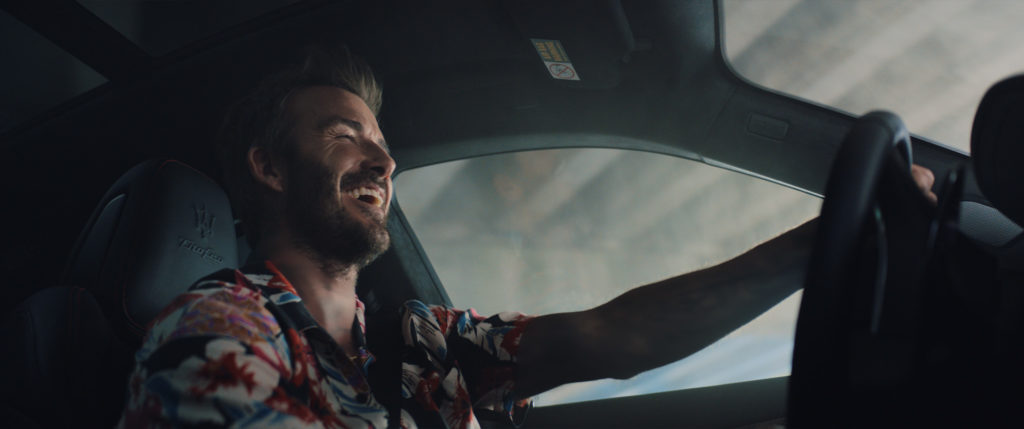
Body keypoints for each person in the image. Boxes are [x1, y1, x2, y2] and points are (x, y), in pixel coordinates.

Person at [117, 48, 938, 428]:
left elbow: (614, 335)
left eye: (382, 143)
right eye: (344, 135)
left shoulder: (413, 342)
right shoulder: (215, 332)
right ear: (267, 167)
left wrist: (817, 246)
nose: (383, 160)